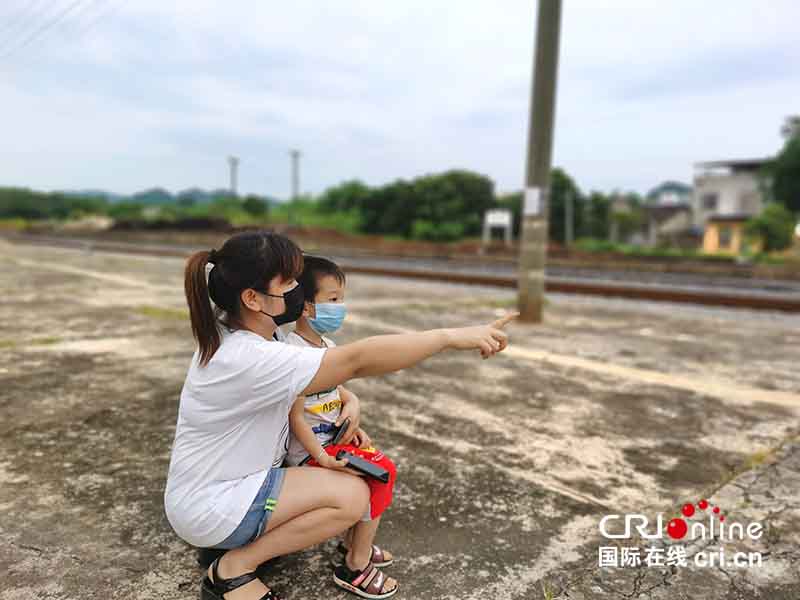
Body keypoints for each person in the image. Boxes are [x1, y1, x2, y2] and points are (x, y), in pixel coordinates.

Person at [163, 230, 516, 600]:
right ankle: (233, 569)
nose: (297, 290)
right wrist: (448, 336)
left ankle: (234, 542)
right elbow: (356, 360)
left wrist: (352, 401)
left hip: (220, 487)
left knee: (348, 481)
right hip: (216, 503)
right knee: (351, 497)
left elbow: (321, 380)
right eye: (288, 282)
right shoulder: (250, 357)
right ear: (252, 298)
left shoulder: (249, 336)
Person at [284, 255, 398, 595]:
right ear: (306, 307)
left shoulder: (326, 347)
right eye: (333, 299)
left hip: (334, 440)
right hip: (312, 451)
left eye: (341, 299)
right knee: (383, 473)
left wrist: (352, 408)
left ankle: (353, 542)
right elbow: (296, 417)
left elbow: (337, 390)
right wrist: (321, 457)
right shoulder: (295, 354)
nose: (341, 307)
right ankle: (356, 564)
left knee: (376, 467)